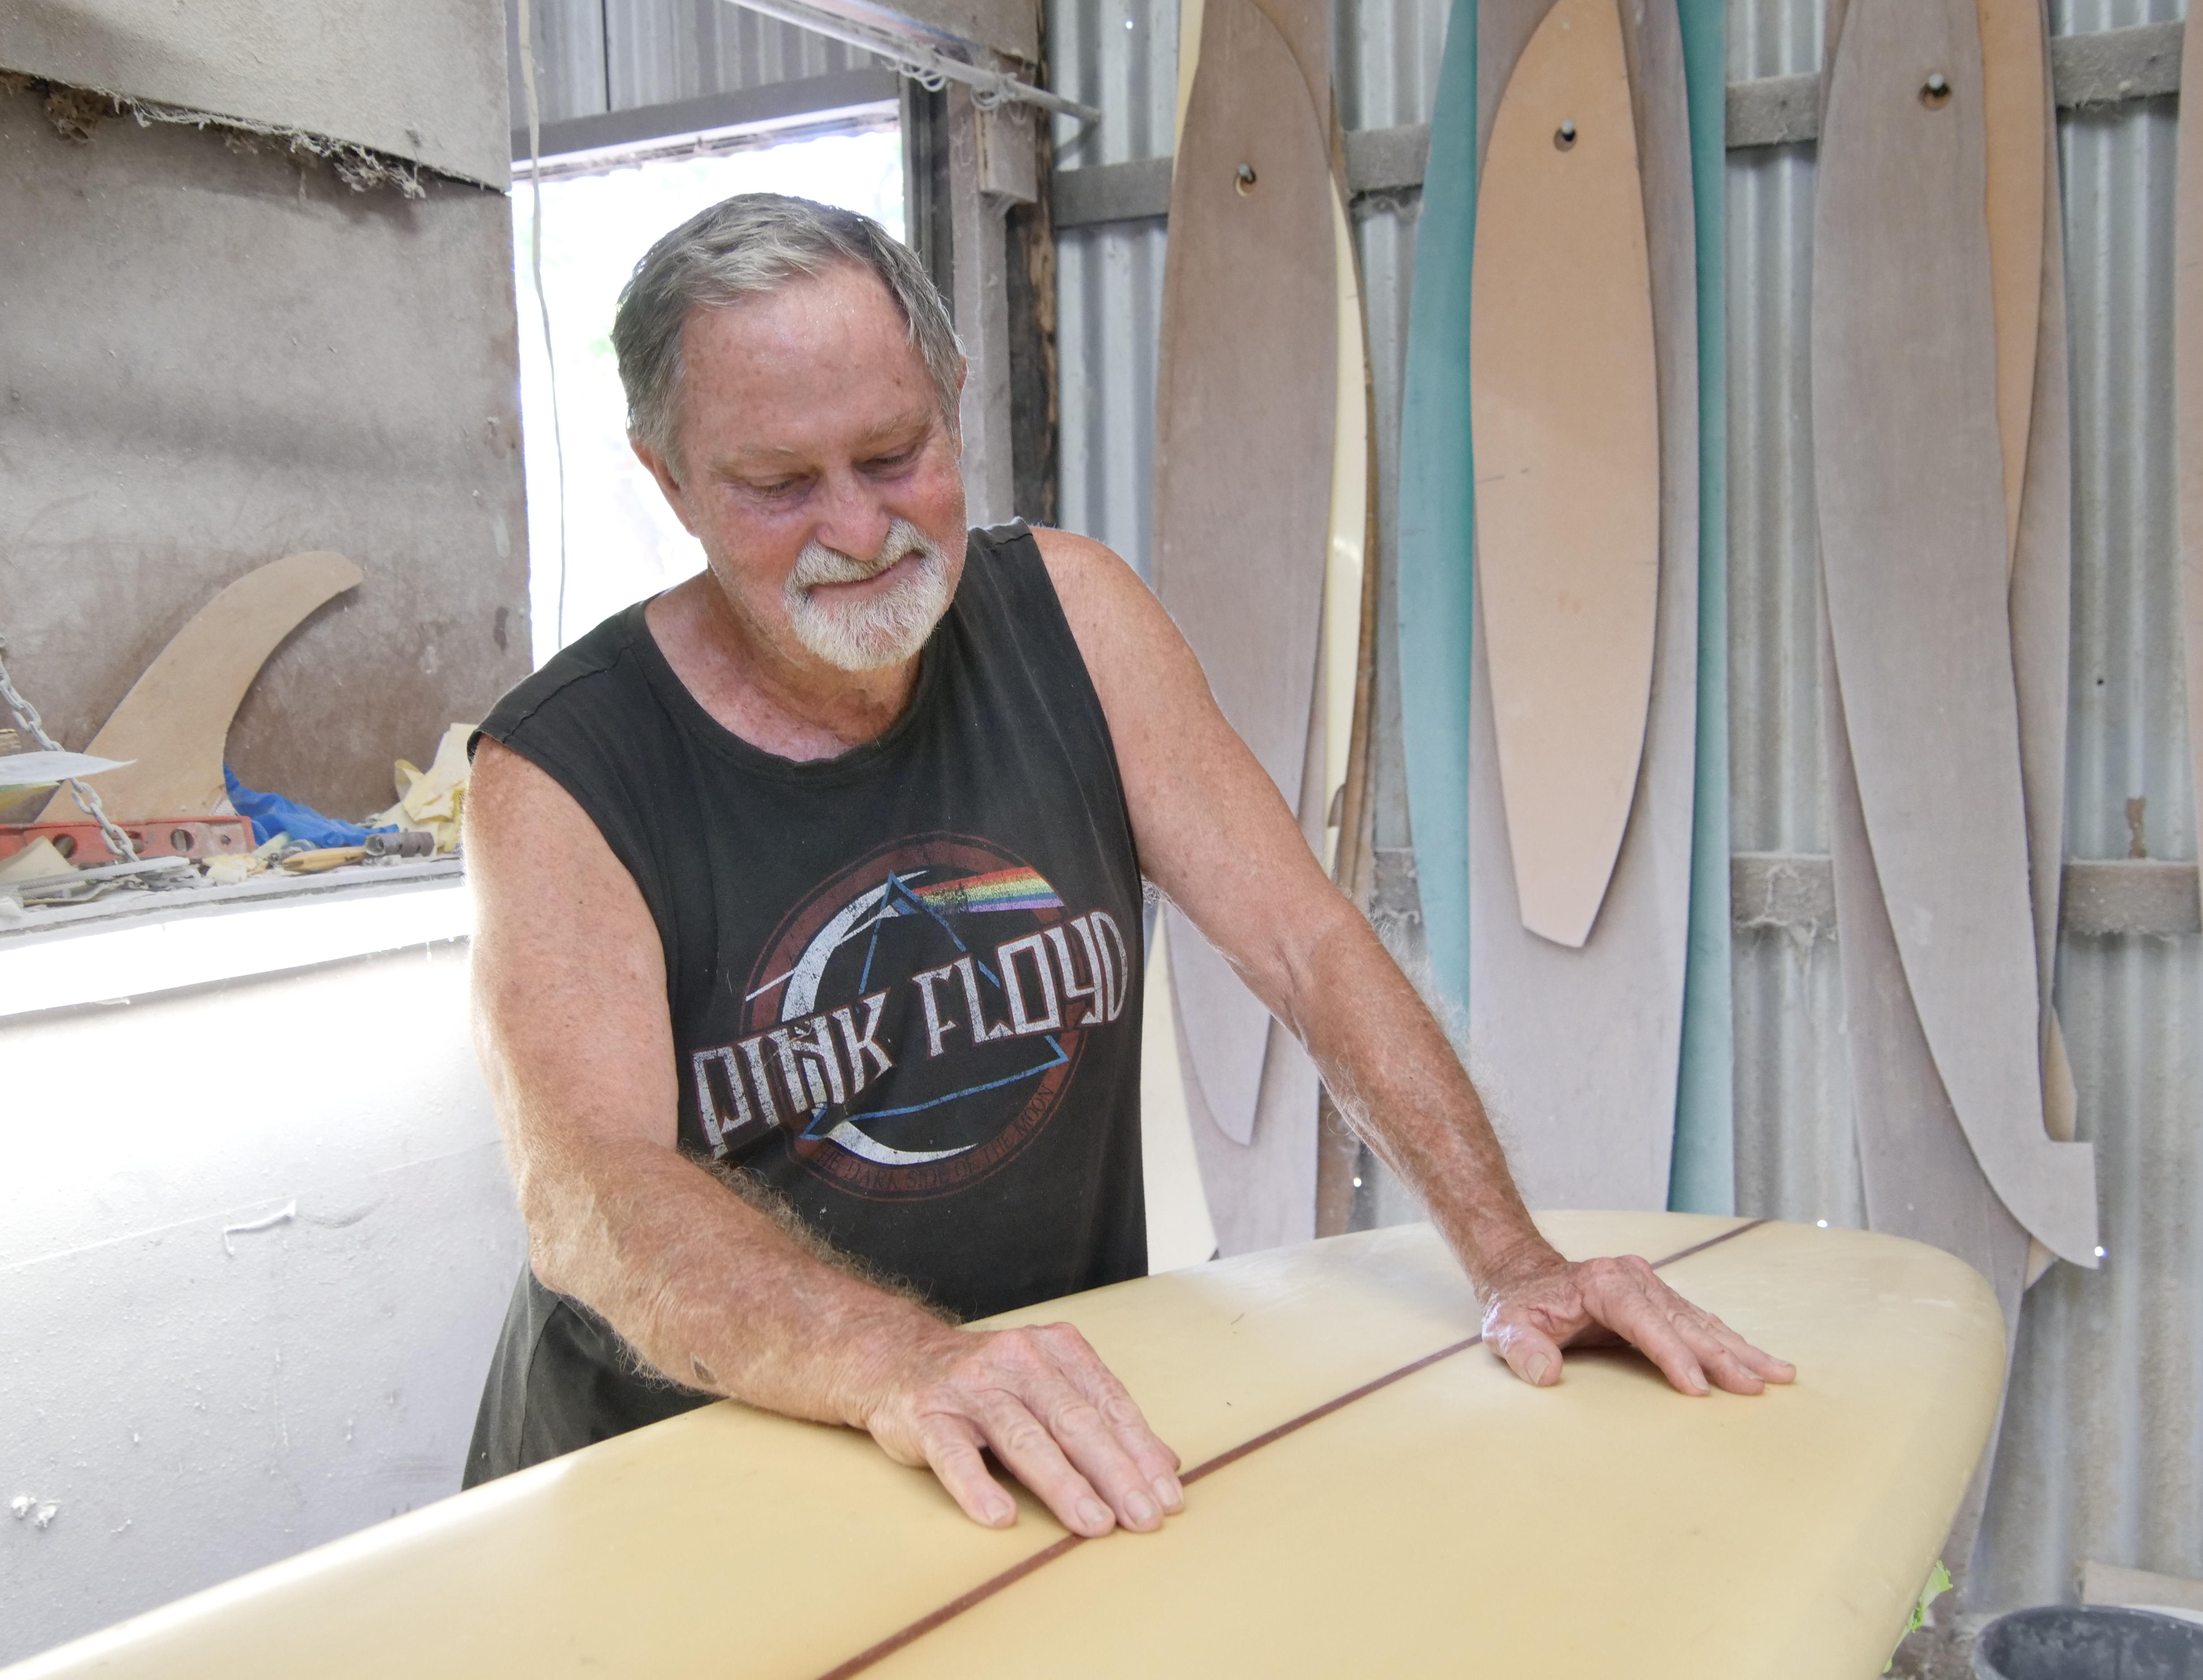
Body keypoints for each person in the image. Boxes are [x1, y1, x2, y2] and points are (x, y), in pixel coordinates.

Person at [460, 193, 1791, 1536]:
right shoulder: (564, 772)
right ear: (668, 478)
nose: (861, 531)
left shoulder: (1072, 621)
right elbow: (590, 1194)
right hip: (681, 1480)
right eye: (779, 487)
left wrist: (1511, 1257)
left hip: (1014, 1437)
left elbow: (1305, 946)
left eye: (896, 452)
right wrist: (899, 1360)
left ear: (954, 397)